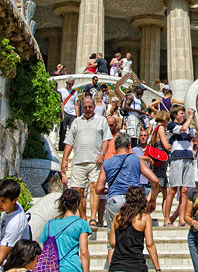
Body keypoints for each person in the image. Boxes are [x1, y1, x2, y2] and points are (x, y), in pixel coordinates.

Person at [96, 132, 159, 262]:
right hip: (133, 201)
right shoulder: (136, 160)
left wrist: (111, 190)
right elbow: (155, 181)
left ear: (114, 147)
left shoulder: (107, 163)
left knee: (111, 241)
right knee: (134, 236)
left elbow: (98, 189)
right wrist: (151, 199)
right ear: (129, 146)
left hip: (114, 200)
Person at [61, 96, 111, 229]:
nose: (88, 109)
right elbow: (69, 142)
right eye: (85, 107)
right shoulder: (76, 122)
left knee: (95, 188)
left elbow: (106, 140)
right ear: (82, 107)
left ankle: (93, 218)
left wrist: (102, 154)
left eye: (90, 107)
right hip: (78, 160)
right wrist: (64, 160)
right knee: (78, 190)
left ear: (94, 107)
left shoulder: (101, 120)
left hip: (95, 160)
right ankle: (83, 217)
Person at [163, 105, 198, 226]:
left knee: (184, 190)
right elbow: (183, 129)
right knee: (173, 189)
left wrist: (194, 117)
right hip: (177, 158)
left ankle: (181, 218)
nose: (183, 115)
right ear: (175, 115)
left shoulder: (187, 127)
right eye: (181, 113)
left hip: (188, 158)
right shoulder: (171, 126)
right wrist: (190, 117)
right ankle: (166, 219)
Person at [109, 187, 160, 272]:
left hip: (117, 265)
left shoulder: (117, 217)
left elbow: (112, 243)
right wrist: (157, 269)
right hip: (136, 265)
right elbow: (150, 244)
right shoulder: (144, 218)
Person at [0, 179, 31, 272]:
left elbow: (0, 258)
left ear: (15, 200)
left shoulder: (15, 223)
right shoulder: (11, 208)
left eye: (3, 201)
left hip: (14, 265)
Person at [39, 189, 91, 272]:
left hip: (52, 268)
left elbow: (43, 247)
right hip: (72, 267)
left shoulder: (49, 224)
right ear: (77, 204)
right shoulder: (81, 224)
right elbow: (84, 253)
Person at [149, 110, 172, 216]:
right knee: (162, 191)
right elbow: (165, 145)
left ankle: (166, 218)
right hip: (161, 162)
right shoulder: (161, 128)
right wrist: (172, 148)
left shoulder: (154, 128)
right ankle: (166, 218)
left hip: (156, 162)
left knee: (161, 190)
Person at [58, 78, 79, 151]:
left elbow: (76, 104)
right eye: (69, 84)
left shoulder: (74, 92)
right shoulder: (61, 91)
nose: (70, 86)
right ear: (66, 83)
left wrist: (77, 116)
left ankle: (72, 148)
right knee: (63, 130)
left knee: (73, 131)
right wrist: (62, 113)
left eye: (72, 84)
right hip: (64, 112)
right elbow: (61, 103)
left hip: (72, 113)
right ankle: (61, 147)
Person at [132, 130, 153, 196]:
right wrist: (146, 158)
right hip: (136, 182)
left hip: (148, 182)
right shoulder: (134, 150)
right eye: (141, 135)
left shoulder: (152, 150)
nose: (143, 137)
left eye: (145, 135)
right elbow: (131, 159)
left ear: (148, 137)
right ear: (139, 137)